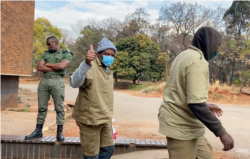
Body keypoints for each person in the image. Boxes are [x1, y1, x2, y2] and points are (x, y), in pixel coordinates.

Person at [158, 26, 234, 159]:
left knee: (205, 155)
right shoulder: (198, 62)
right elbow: (196, 105)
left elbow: (183, 91)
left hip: (189, 125)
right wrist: (222, 132)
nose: (217, 50)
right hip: (180, 126)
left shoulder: (183, 55)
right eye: (217, 46)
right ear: (208, 43)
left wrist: (206, 104)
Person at [70, 38, 116, 159]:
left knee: (108, 148)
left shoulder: (108, 70)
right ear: (99, 54)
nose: (110, 57)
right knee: (91, 155)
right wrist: (85, 63)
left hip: (104, 118)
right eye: (106, 54)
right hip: (89, 119)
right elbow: (74, 82)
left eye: (112, 55)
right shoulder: (90, 67)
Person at [25, 36, 73, 141]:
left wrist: (47, 64)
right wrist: (55, 66)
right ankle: (38, 131)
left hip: (57, 81)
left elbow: (62, 66)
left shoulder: (66, 53)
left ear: (55, 43)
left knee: (59, 108)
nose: (48, 46)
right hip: (44, 81)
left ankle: (59, 132)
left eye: (49, 44)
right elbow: (40, 67)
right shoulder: (46, 54)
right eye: (47, 44)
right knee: (42, 107)